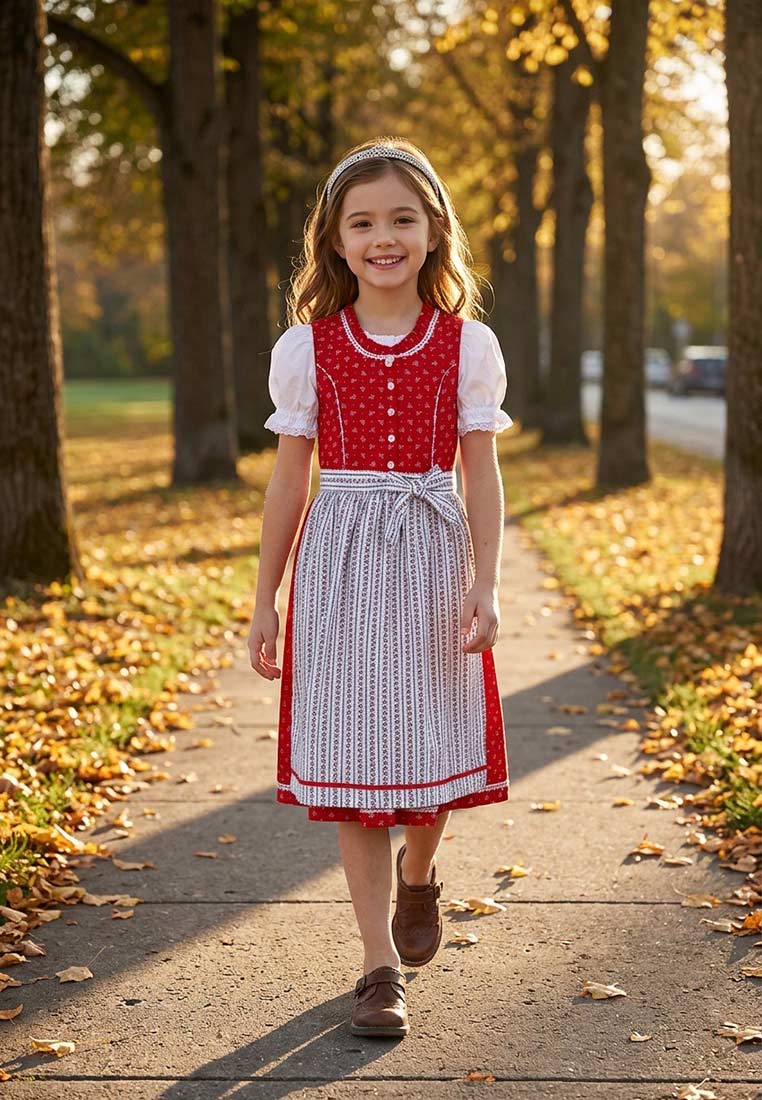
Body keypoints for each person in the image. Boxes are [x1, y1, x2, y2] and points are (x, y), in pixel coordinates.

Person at [248, 137, 513, 1039]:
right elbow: (290, 482)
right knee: (355, 765)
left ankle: (419, 874)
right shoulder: (308, 349)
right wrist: (264, 599)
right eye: (363, 222)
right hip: (341, 564)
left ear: (434, 232)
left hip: (433, 557)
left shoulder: (466, 345)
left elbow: (480, 472)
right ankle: (377, 967)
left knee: (426, 752)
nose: (383, 237)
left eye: (403, 218)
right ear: (336, 241)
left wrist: (488, 583)